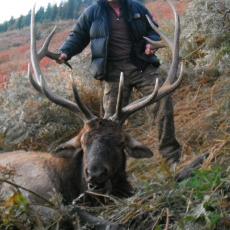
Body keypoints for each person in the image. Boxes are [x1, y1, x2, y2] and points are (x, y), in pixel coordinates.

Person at [57, 0, 181, 164]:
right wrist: (65, 51)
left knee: (163, 105)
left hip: (141, 67)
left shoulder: (137, 8)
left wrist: (151, 43)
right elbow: (78, 36)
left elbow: (153, 31)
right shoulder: (92, 13)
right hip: (112, 74)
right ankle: (108, 167)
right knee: (108, 126)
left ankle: (171, 157)